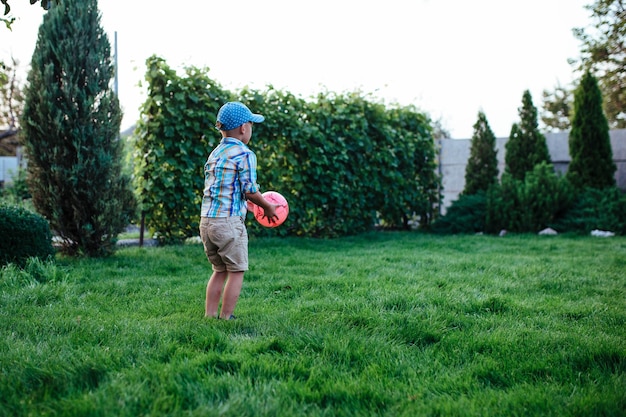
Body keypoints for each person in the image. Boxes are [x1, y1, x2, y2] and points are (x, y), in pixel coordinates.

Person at [200, 101, 279, 320]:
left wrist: (252, 206)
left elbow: (227, 189)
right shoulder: (245, 154)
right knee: (236, 270)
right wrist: (267, 206)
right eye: (251, 125)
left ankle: (210, 315)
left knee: (219, 270)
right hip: (228, 223)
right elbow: (250, 190)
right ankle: (226, 317)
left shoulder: (215, 154)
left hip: (207, 222)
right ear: (244, 128)